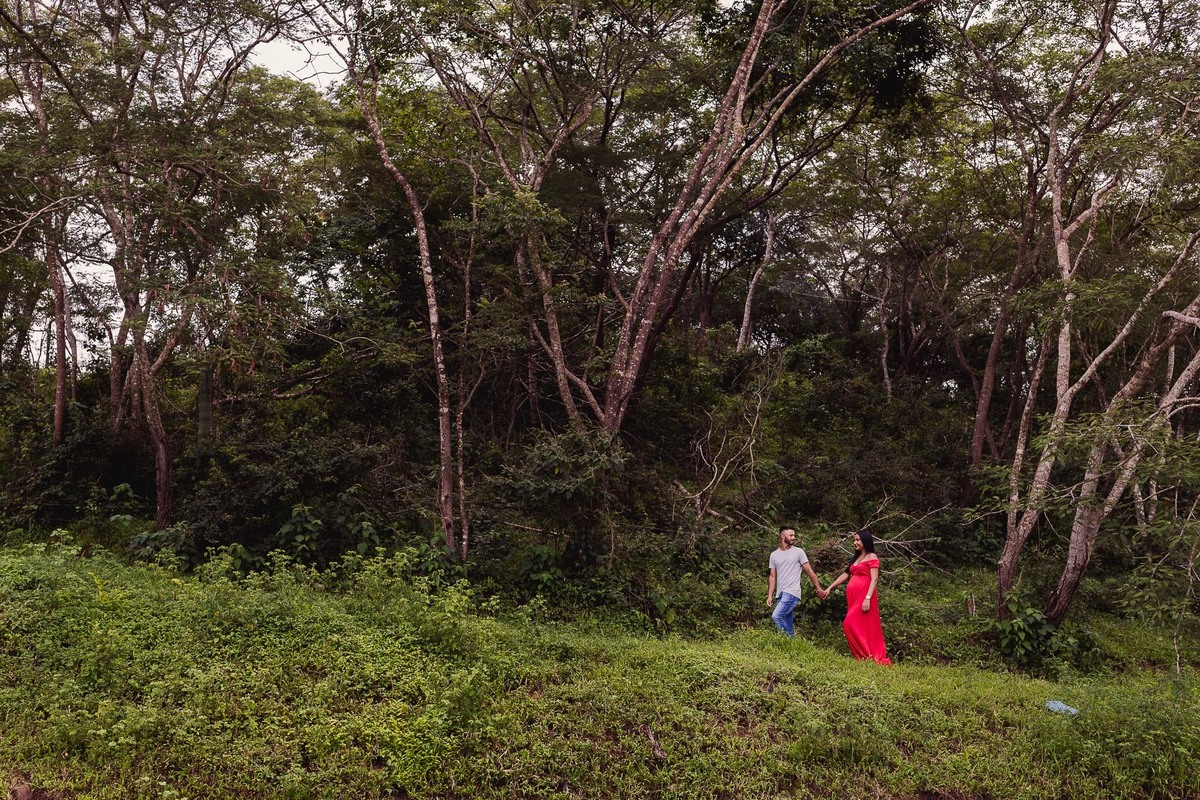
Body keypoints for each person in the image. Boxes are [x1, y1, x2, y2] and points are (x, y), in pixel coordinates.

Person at [820, 529, 892, 665]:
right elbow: (846, 574)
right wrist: (829, 588)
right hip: (853, 596)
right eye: (855, 540)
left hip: (864, 595)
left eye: (857, 540)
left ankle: (867, 654)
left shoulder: (872, 557)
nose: (855, 542)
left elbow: (874, 579)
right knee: (859, 625)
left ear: (865, 541)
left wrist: (868, 598)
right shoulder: (856, 557)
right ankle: (863, 656)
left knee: (849, 622)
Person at [766, 526, 825, 637]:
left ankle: (784, 640)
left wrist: (818, 588)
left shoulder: (798, 552)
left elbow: (809, 572)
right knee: (788, 624)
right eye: (791, 535)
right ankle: (791, 644)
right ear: (783, 536)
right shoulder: (773, 555)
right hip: (780, 593)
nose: (794, 537)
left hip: (792, 591)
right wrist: (770, 595)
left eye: (794, 535)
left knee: (777, 616)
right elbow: (772, 577)